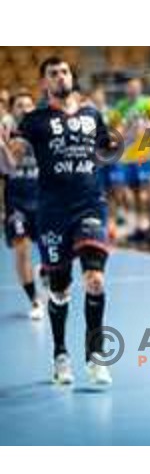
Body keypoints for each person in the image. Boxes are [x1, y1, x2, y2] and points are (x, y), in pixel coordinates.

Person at [13, 57, 114, 386]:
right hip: (53, 211)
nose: (60, 77)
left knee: (95, 280)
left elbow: (105, 155)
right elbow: (10, 163)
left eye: (65, 71)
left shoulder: (91, 114)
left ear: (72, 76)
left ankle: (95, 355)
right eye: (53, 73)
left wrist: (128, 138)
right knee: (59, 289)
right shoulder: (34, 120)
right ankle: (60, 355)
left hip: (90, 204)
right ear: (44, 83)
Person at [108, 77, 150, 241]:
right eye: (130, 86)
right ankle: (140, 226)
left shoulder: (149, 102)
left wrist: (148, 125)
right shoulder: (120, 106)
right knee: (132, 194)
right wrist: (124, 129)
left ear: (140, 87)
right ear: (126, 88)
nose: (133, 89)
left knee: (146, 191)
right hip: (126, 156)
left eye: (136, 86)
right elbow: (114, 130)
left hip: (144, 153)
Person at [0, 90, 44, 320]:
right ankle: (35, 300)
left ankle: (46, 271)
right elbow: (5, 169)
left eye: (29, 105)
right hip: (17, 204)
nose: (25, 109)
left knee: (54, 254)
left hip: (45, 203)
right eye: (20, 105)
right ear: (12, 111)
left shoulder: (45, 135)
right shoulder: (7, 136)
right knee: (22, 249)